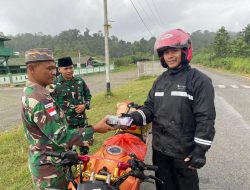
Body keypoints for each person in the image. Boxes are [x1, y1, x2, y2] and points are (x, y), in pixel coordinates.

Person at [120, 29, 216, 190]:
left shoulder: (199, 80)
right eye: (165, 52)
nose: (170, 56)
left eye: (174, 50)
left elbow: (205, 118)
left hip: (183, 153)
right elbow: (150, 108)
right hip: (160, 151)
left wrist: (200, 150)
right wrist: (131, 118)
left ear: (184, 51)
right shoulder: (160, 81)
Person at [21, 48, 113, 190]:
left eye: (54, 68)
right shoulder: (40, 99)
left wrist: (85, 106)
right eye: (49, 68)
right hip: (50, 169)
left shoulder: (35, 91)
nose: (54, 72)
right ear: (31, 68)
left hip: (52, 158)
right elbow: (61, 136)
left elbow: (87, 96)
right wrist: (95, 129)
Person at [52, 57, 91, 154]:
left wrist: (84, 105)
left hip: (81, 122)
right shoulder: (54, 85)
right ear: (59, 69)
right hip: (66, 125)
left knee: (85, 149)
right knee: (70, 152)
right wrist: (56, 118)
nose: (69, 71)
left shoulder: (79, 81)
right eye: (66, 69)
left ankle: (85, 167)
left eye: (71, 68)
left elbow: (88, 95)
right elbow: (49, 104)